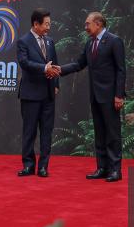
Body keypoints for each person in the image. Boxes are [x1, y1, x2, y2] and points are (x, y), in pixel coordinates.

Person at [50, 12, 126, 182]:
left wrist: (119, 95)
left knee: (112, 133)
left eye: (88, 24)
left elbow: (121, 70)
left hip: (110, 96)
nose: (85, 27)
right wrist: (61, 69)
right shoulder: (90, 43)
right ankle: (102, 168)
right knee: (99, 133)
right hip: (95, 96)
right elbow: (79, 64)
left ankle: (115, 170)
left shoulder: (114, 41)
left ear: (98, 24)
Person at [15, 8, 60, 177]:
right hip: (30, 95)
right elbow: (24, 63)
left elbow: (55, 65)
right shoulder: (23, 41)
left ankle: (43, 167)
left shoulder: (50, 41)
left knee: (47, 132)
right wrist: (43, 68)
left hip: (48, 95)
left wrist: (56, 84)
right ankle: (28, 165)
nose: (49, 27)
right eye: (46, 24)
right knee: (29, 131)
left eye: (49, 24)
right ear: (36, 24)